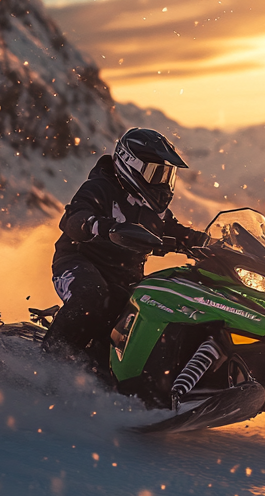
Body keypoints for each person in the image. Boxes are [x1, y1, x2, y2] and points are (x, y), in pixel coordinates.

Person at [42, 127, 209, 369]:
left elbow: (175, 231)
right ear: (131, 165)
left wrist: (207, 242)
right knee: (93, 296)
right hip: (78, 262)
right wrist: (98, 226)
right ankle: (46, 362)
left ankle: (123, 377)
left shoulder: (155, 210)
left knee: (148, 312)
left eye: (166, 175)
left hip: (123, 276)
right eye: (155, 173)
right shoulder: (100, 188)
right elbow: (73, 218)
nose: (162, 182)